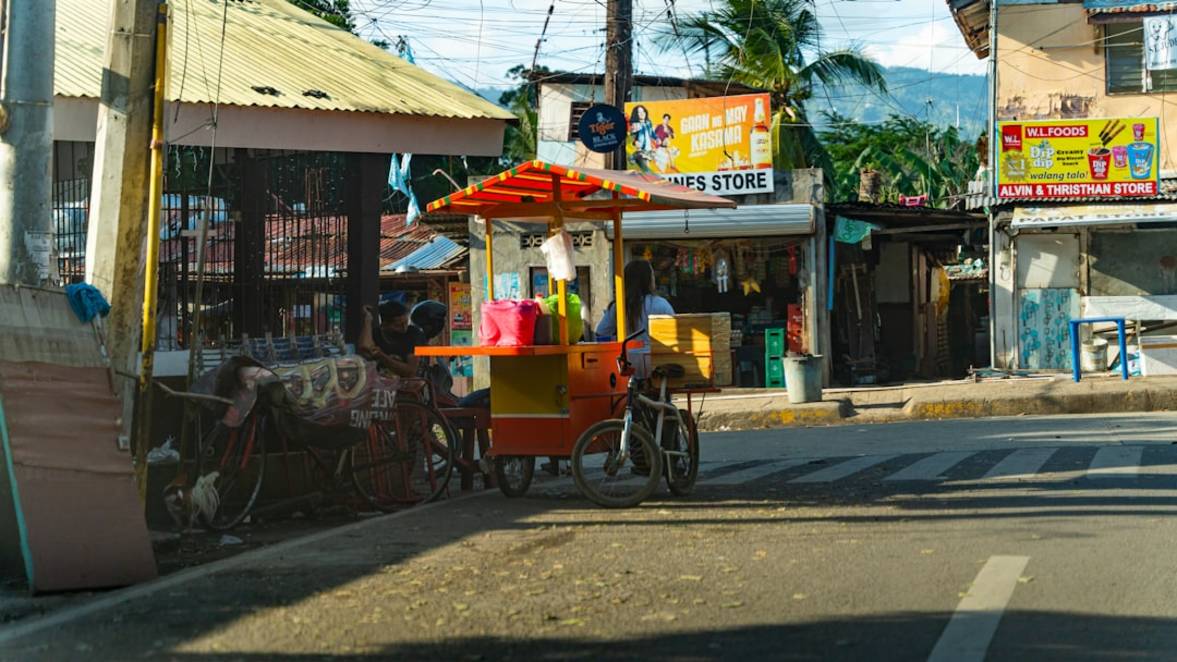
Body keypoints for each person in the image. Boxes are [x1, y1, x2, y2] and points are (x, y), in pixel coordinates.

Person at [595, 259, 675, 378]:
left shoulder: (619, 306)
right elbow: (674, 335)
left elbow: (601, 333)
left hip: (626, 364)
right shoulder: (661, 304)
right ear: (648, 280)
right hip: (656, 365)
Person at [363, 300, 425, 378]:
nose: (404, 328)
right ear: (384, 325)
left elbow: (410, 371)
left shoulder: (414, 334)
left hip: (409, 382)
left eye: (406, 323)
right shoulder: (377, 334)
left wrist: (382, 356)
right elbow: (365, 348)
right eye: (398, 325)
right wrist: (367, 320)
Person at [628, 105, 655, 173]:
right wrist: (635, 142)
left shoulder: (648, 123)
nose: (642, 113)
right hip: (641, 151)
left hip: (648, 150)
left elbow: (652, 133)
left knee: (646, 171)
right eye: (639, 112)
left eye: (643, 111)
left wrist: (657, 139)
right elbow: (631, 137)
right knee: (646, 172)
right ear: (636, 114)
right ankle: (634, 157)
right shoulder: (635, 125)